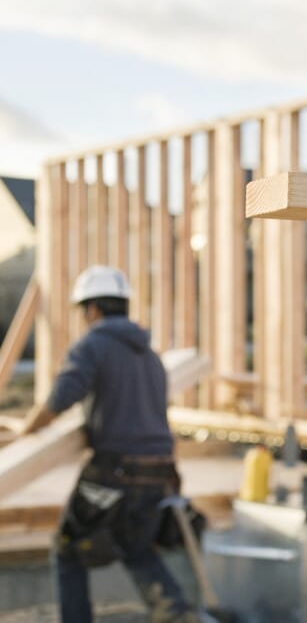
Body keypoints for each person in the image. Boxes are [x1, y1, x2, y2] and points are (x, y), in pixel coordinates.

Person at [22, 265, 197, 623]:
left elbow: (61, 398)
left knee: (68, 551)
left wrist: (29, 428)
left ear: (92, 309)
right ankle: (178, 615)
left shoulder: (92, 345)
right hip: (160, 471)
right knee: (136, 548)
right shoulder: (151, 357)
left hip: (114, 471)